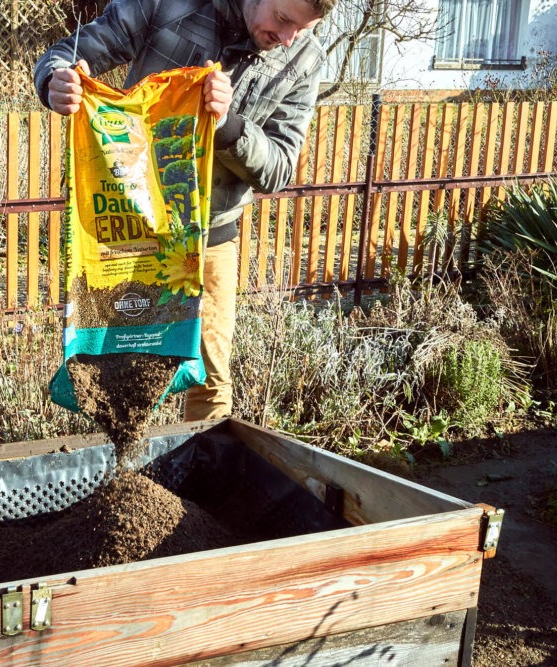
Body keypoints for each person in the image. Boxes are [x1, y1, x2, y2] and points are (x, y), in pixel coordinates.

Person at [34, 0, 334, 421]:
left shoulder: (304, 60)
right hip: (134, 231)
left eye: (302, 29)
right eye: (283, 19)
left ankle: (200, 475)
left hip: (212, 240)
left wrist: (229, 124)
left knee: (210, 382)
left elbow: (278, 169)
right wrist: (54, 80)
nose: (287, 39)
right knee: (115, 368)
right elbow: (72, 52)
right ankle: (123, 477)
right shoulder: (169, 4)